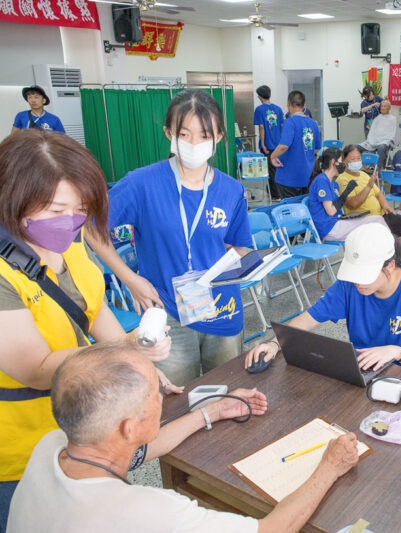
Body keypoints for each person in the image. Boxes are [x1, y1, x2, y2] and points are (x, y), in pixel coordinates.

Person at [0, 130, 171, 532]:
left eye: (80, 209)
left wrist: (140, 365)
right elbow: (36, 368)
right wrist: (126, 348)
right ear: (12, 198)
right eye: (57, 209)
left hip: (78, 433)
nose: (71, 222)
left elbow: (97, 318)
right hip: (18, 449)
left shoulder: (71, 248)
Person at [8, 342, 359, 533]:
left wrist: (211, 412)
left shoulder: (51, 446)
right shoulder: (153, 512)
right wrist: (329, 467)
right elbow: (270, 531)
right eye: (155, 392)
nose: (164, 395)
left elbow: (135, 452)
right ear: (129, 427)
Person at [87, 90, 253, 387]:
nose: (194, 144)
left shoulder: (231, 190)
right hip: (166, 314)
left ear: (218, 137)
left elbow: (238, 245)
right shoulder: (142, 184)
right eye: (184, 134)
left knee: (227, 391)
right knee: (173, 398)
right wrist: (129, 279)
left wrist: (241, 263)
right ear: (169, 133)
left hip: (222, 309)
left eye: (204, 135)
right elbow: (91, 227)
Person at [245, 223, 401, 373]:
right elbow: (309, 318)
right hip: (365, 372)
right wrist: (274, 344)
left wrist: (396, 352)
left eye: (365, 275)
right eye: (355, 275)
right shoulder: (350, 285)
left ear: (390, 266)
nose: (358, 283)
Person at [307, 147, 388, 242]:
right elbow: (331, 211)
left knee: (376, 221)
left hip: (337, 222)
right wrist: (346, 192)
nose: (344, 165)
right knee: (377, 223)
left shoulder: (333, 182)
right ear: (333, 162)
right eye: (341, 161)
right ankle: (392, 254)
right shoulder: (322, 181)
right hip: (328, 228)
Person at [271, 90, 321, 199]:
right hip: (306, 175)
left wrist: (273, 156)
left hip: (288, 177)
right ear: (304, 106)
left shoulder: (289, 122)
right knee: (303, 208)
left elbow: (284, 145)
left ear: (288, 104)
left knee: (291, 211)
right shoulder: (313, 123)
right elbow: (316, 148)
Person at [253, 85, 283, 200]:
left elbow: (261, 127)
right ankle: (278, 192)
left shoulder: (259, 110)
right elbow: (281, 126)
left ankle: (275, 195)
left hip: (269, 145)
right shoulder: (278, 109)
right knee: (279, 169)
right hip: (279, 145)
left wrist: (264, 144)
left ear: (260, 97)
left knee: (271, 171)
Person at [360, 100, 399, 171]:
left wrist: (384, 139)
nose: (382, 108)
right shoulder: (377, 118)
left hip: (386, 141)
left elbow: (392, 133)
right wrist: (373, 140)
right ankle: (361, 167)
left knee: (381, 147)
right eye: (381, 106)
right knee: (357, 147)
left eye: (384, 106)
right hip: (375, 140)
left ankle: (379, 167)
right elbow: (372, 132)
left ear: (389, 108)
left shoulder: (393, 119)